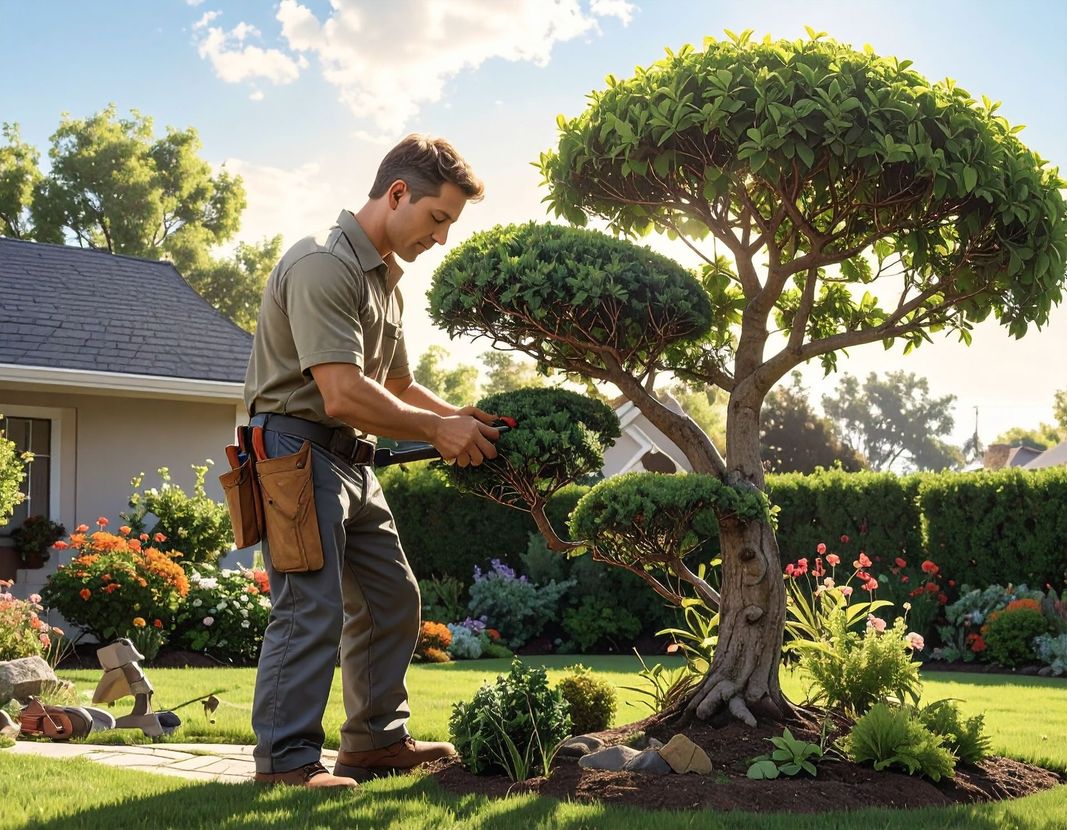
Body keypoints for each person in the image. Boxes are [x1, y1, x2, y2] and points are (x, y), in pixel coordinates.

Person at [244, 135, 499, 789]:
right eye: (437, 218)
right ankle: (286, 763)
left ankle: (373, 743)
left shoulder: (385, 283)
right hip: (294, 451)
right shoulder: (323, 264)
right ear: (396, 195)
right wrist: (437, 430)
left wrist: (460, 418)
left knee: (393, 599)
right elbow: (341, 390)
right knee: (309, 606)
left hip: (353, 461)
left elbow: (398, 386)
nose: (440, 238)